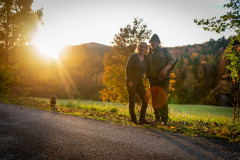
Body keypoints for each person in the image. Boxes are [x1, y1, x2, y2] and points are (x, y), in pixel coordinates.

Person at [146, 34, 176, 125]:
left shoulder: (165, 50)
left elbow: (172, 61)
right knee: (154, 98)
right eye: (152, 42)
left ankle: (165, 119)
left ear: (158, 43)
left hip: (164, 79)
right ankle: (157, 118)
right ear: (150, 43)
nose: (154, 43)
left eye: (155, 41)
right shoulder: (148, 53)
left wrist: (165, 69)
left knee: (163, 97)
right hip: (152, 79)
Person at [126, 42, 149, 124]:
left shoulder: (146, 58)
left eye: (144, 47)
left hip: (139, 82)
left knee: (145, 99)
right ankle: (133, 119)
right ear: (138, 47)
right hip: (131, 81)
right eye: (141, 47)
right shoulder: (134, 56)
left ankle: (142, 119)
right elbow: (128, 68)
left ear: (146, 49)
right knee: (132, 99)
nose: (142, 48)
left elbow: (147, 69)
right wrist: (129, 80)